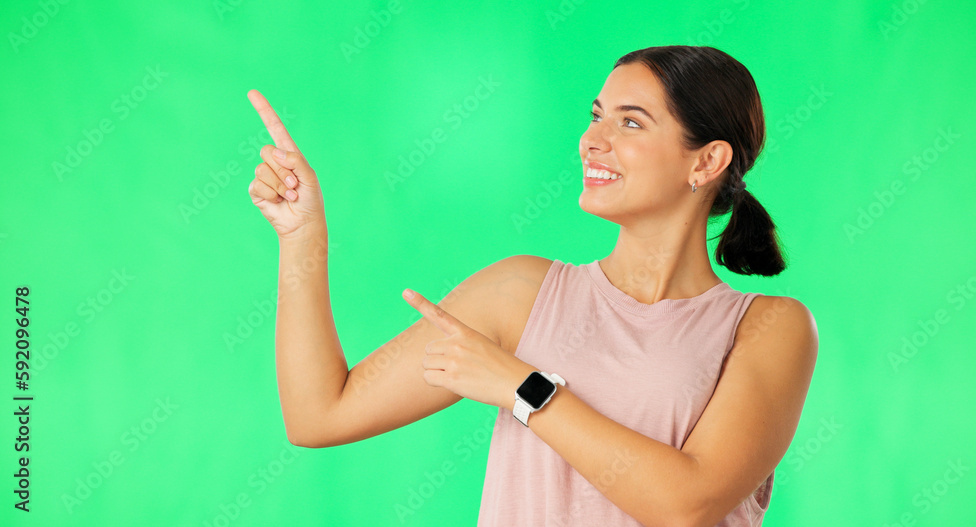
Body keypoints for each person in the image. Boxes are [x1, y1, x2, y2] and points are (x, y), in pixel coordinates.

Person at [246, 45, 818, 527]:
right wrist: (301, 239)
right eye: (596, 115)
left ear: (707, 160)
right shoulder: (519, 292)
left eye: (631, 122)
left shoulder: (769, 327)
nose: (593, 140)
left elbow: (687, 504)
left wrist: (522, 387)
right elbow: (319, 415)